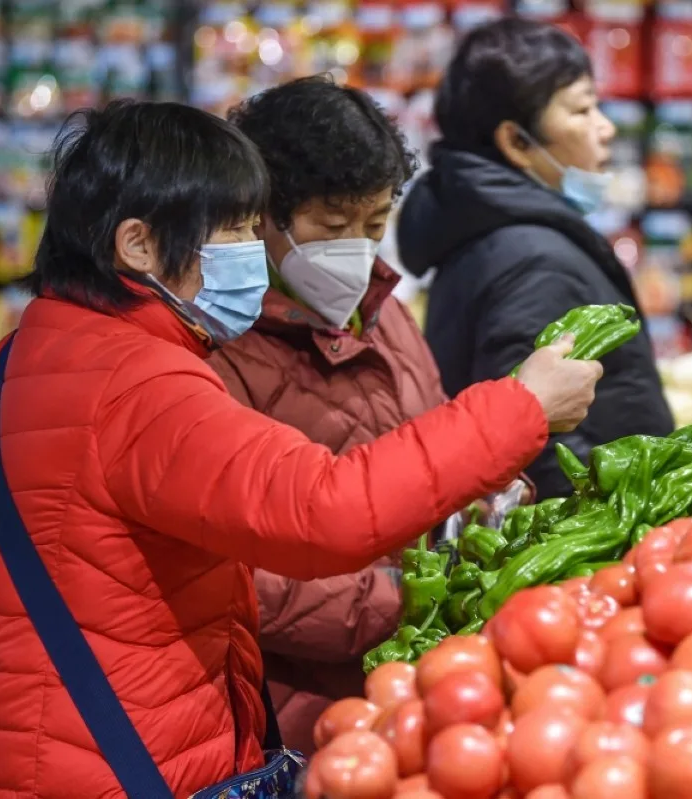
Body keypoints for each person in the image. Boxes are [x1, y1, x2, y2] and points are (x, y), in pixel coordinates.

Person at [0, 100, 601, 798]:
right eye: (237, 229)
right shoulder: (138, 383)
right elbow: (324, 510)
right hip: (93, 767)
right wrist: (520, 406)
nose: (252, 251)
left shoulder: (14, 361)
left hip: (11, 756)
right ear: (139, 245)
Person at [212, 77, 499, 755]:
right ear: (263, 216)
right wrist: (399, 600)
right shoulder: (217, 345)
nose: (355, 249)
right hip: (291, 709)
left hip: (405, 680)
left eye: (372, 224)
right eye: (331, 226)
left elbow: (431, 442)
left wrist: (486, 500)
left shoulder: (386, 311)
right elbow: (241, 574)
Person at [396, 17, 675, 499]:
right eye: (583, 110)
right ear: (516, 142)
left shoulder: (495, 233)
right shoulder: (531, 258)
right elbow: (533, 438)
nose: (604, 128)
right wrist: (610, 521)